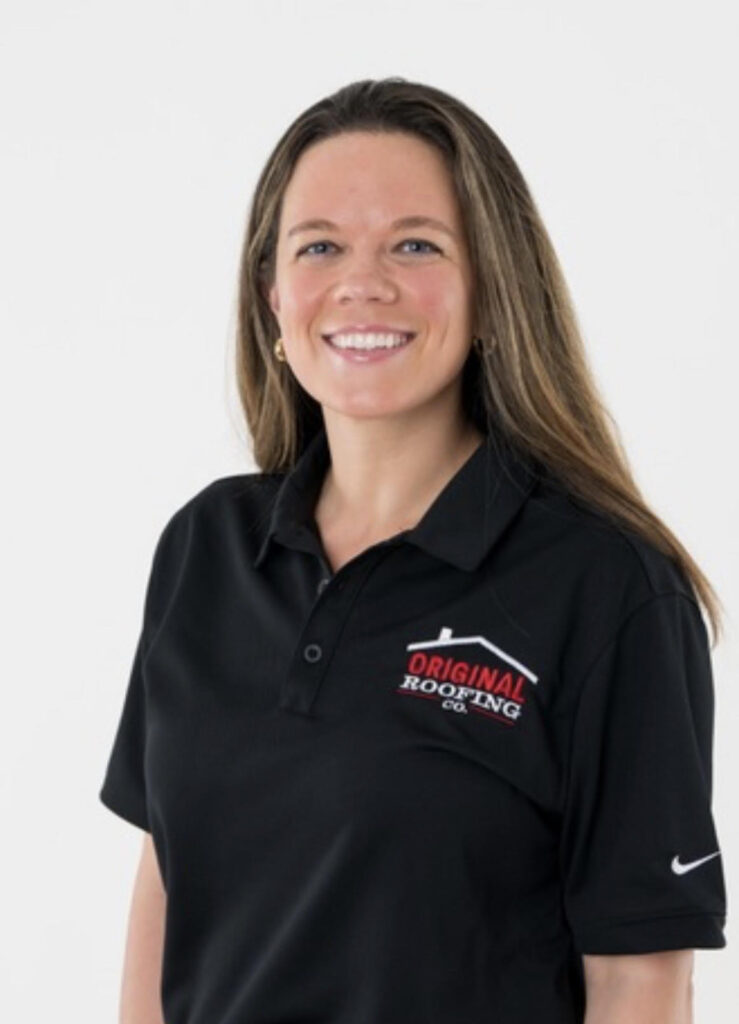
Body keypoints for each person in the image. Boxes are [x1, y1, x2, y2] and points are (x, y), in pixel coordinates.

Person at [99, 77, 727, 1024]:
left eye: (416, 245)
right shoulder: (206, 548)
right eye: (319, 247)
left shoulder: (608, 589)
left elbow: (640, 979)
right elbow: (166, 874)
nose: (362, 283)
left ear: (489, 293)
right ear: (272, 297)